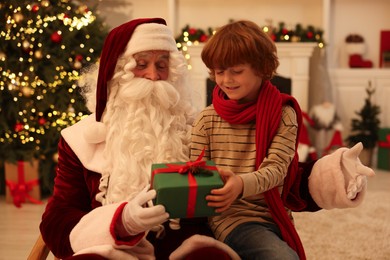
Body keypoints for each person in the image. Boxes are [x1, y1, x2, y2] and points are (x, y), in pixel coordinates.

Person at [39, 18, 240, 259]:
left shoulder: (197, 130)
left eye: (162, 65)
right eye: (141, 64)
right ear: (116, 72)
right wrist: (120, 223)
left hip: (182, 250)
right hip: (114, 250)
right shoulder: (80, 139)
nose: (153, 76)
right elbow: (56, 221)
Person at [189, 20, 375, 260]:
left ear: (262, 68)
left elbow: (278, 169)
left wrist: (241, 183)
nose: (226, 80)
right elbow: (197, 175)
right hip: (231, 217)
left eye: (236, 71)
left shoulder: (283, 113)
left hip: (274, 213)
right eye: (219, 71)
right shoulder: (206, 119)